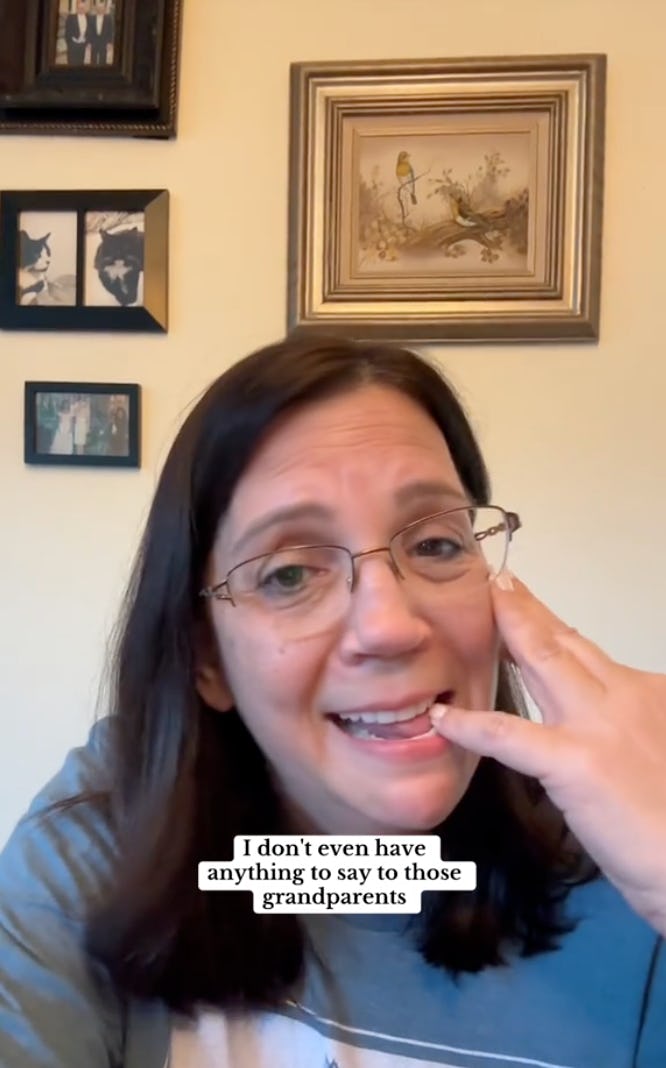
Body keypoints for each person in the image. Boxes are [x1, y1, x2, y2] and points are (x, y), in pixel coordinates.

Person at [0, 336, 665, 1068]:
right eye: (288, 574)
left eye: (438, 544)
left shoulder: (629, 870)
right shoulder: (105, 841)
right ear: (209, 660)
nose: (389, 625)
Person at [88, 0, 114, 66]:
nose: (100, 9)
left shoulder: (108, 18)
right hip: (94, 42)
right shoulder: (92, 18)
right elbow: (89, 31)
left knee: (102, 61)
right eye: (98, 8)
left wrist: (110, 43)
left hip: (104, 42)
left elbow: (110, 31)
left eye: (101, 8)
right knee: (93, 61)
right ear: (96, 9)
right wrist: (89, 43)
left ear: (104, 9)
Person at [63, 0, 89, 66]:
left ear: (85, 9)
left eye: (83, 8)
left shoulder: (88, 18)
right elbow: (67, 31)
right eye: (79, 8)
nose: (81, 10)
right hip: (73, 45)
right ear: (77, 8)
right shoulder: (71, 17)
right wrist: (69, 43)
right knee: (71, 63)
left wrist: (87, 41)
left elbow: (90, 31)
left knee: (80, 63)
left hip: (82, 45)